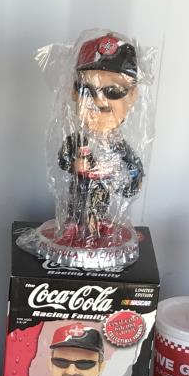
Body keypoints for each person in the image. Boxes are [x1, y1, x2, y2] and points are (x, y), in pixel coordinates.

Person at [57, 33, 144, 247]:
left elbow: (133, 167)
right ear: (74, 93)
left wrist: (128, 182)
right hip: (80, 184)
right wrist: (73, 164)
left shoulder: (118, 144)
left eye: (113, 91)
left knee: (99, 204)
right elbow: (63, 159)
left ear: (132, 96)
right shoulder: (77, 139)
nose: (99, 101)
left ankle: (97, 223)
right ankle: (74, 224)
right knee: (77, 203)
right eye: (87, 90)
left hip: (102, 186)